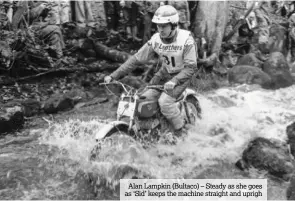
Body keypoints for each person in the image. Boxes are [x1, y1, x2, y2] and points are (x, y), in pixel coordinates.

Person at [104, 5, 198, 136]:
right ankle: (155, 129)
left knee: (165, 102)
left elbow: (191, 68)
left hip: (182, 76)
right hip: (164, 74)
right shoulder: (156, 39)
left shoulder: (186, 40)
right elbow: (136, 59)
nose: (160, 29)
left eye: (164, 26)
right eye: (158, 26)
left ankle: (180, 131)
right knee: (142, 99)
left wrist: (174, 81)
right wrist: (114, 75)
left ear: (174, 24)